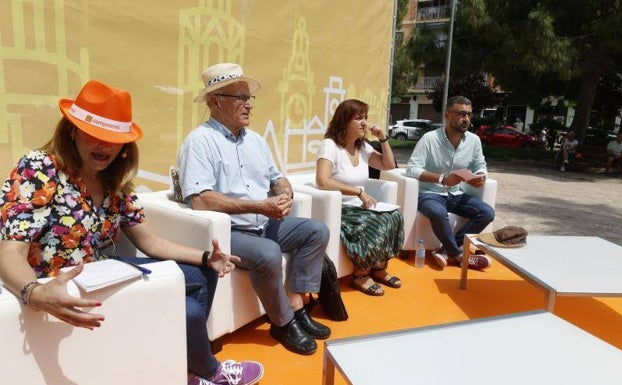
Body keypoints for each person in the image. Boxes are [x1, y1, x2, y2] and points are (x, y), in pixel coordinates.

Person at [0, 80, 263, 385]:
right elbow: (9, 252)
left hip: (102, 272)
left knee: (203, 275)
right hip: (58, 281)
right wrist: (34, 292)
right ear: (72, 131)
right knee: (189, 310)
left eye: (114, 138)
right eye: (94, 134)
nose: (104, 146)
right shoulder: (40, 168)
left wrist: (208, 257)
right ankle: (208, 371)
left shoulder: (113, 182)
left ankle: (183, 360)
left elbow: (149, 241)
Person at [177, 63, 331, 356]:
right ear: (214, 101)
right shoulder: (199, 142)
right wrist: (259, 205)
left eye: (250, 98)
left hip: (265, 223)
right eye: (240, 98)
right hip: (231, 231)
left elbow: (278, 179)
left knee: (316, 230)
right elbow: (199, 199)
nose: (249, 105)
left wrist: (285, 194)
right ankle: (282, 322)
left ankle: (297, 304)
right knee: (268, 253)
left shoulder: (256, 140)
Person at [315, 99, 404, 297]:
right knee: (373, 221)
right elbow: (323, 180)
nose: (364, 123)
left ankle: (379, 268)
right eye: (358, 118)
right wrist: (358, 192)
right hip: (342, 208)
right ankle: (360, 274)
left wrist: (382, 138)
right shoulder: (330, 146)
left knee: (394, 216)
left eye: (365, 118)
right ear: (344, 122)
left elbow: (389, 165)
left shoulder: (363, 148)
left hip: (361, 205)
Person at [405, 96, 495, 271]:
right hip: (430, 193)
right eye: (461, 114)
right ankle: (459, 256)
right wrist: (441, 179)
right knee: (438, 212)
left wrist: (481, 176)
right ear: (447, 115)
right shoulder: (429, 139)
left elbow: (480, 165)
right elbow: (412, 169)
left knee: (486, 212)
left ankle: (446, 250)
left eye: (469, 115)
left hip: (456, 193)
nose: (466, 119)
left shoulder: (473, 140)